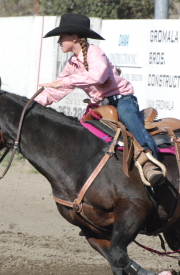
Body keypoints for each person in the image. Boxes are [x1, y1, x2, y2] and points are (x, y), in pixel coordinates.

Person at [34, 13, 164, 187]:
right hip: (102, 107)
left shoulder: (96, 52)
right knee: (84, 131)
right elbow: (55, 92)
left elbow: (98, 77)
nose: (59, 42)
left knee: (128, 117)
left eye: (61, 37)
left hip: (122, 100)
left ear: (74, 37)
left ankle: (151, 160)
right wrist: (33, 104)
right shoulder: (71, 64)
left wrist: (63, 81)